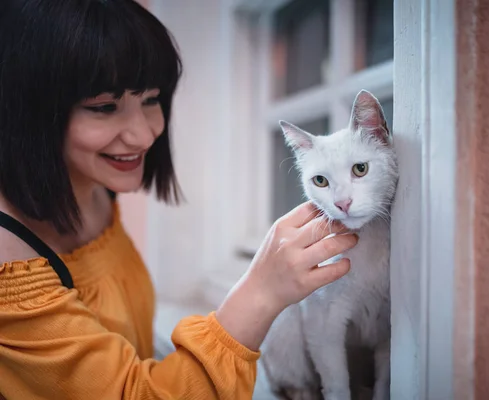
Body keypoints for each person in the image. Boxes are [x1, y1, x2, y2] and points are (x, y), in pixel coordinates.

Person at [0, 1, 358, 399]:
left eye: (151, 99)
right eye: (104, 107)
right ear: (27, 109)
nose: (144, 134)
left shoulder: (94, 187)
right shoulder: (7, 259)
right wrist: (261, 292)